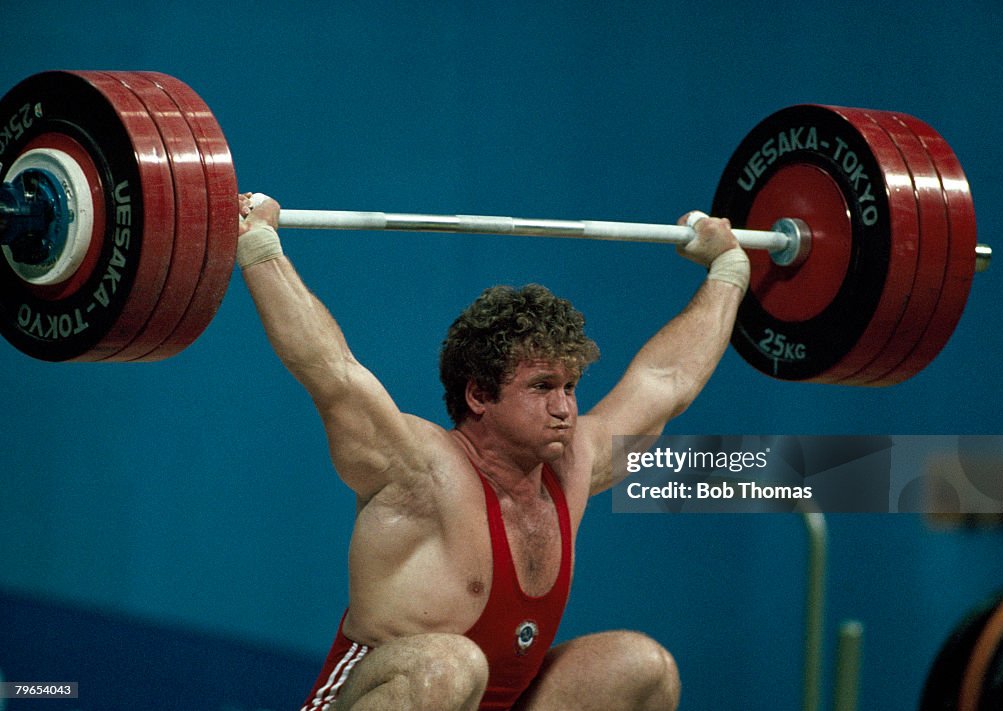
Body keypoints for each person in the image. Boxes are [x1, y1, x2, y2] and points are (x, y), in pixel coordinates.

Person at [236, 192, 750, 711]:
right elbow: (331, 372)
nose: (564, 408)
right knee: (449, 666)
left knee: (640, 667)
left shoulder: (575, 464)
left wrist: (728, 270)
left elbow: (668, 378)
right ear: (479, 394)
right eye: (542, 386)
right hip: (380, 696)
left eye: (570, 387)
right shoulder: (418, 468)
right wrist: (258, 243)